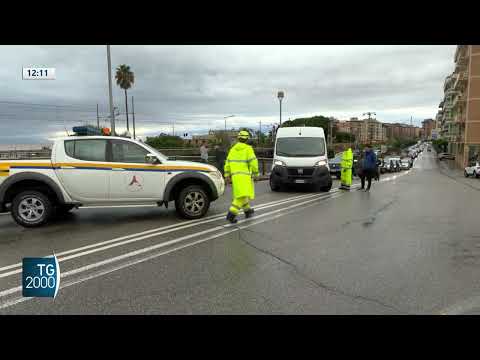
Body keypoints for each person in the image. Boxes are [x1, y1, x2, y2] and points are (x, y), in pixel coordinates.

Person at [224, 130, 259, 224]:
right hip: (244, 176)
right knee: (240, 197)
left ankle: (248, 211)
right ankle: (231, 215)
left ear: (238, 138)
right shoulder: (248, 149)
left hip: (235, 176)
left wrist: (227, 175)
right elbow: (253, 162)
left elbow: (227, 163)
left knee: (242, 194)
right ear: (247, 139)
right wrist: (256, 174)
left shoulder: (232, 149)